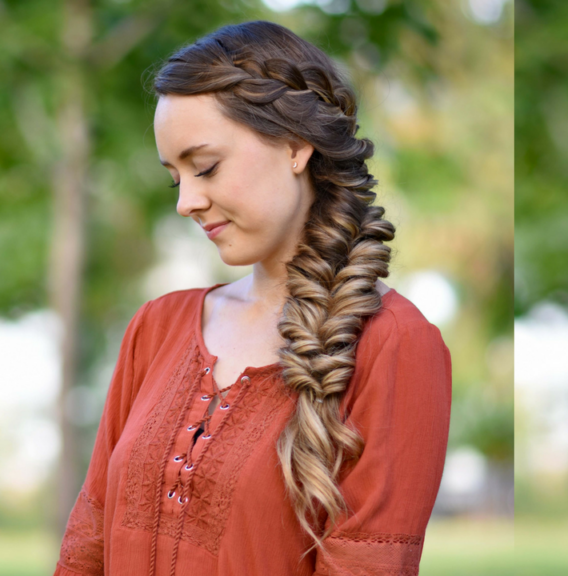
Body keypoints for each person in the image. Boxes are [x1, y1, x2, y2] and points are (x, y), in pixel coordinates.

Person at [53, 20, 451, 576]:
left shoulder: (395, 345)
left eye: (207, 167)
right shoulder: (157, 327)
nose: (186, 202)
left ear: (295, 145)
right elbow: (87, 547)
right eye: (176, 178)